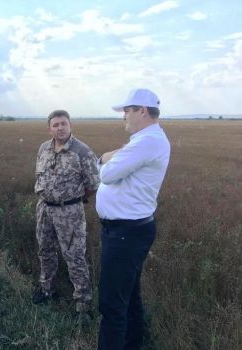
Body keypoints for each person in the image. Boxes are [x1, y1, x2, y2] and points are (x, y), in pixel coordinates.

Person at [96, 88, 170, 349]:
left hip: (125, 233)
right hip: (127, 231)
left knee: (112, 304)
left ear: (142, 110)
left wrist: (106, 157)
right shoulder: (146, 140)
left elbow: (106, 173)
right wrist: (118, 155)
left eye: (126, 111)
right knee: (129, 297)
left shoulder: (147, 141)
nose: (123, 117)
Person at [32, 110, 100, 319]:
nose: (60, 128)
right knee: (45, 251)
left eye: (63, 124)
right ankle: (47, 290)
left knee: (74, 257)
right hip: (44, 209)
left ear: (70, 126)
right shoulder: (44, 148)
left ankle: (83, 304)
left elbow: (93, 185)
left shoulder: (82, 152)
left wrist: (73, 199)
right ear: (49, 128)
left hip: (69, 212)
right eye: (55, 125)